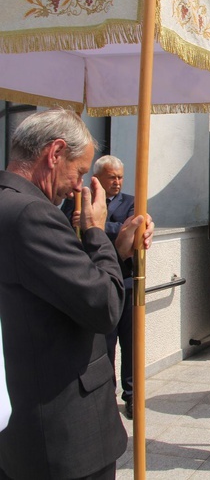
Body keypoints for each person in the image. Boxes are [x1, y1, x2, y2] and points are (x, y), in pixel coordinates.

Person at [0, 108, 154, 479]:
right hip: (64, 431)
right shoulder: (31, 214)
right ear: (54, 154)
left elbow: (59, 281)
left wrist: (114, 249)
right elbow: (103, 305)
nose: (79, 186)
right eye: (80, 171)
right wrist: (97, 231)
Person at [62, 155, 136, 419]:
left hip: (125, 282)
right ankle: (107, 396)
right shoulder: (78, 199)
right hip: (94, 279)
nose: (117, 182)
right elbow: (65, 223)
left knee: (131, 345)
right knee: (105, 346)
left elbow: (131, 229)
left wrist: (95, 224)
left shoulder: (130, 201)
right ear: (99, 179)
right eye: (112, 177)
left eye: (120, 177)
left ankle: (132, 396)